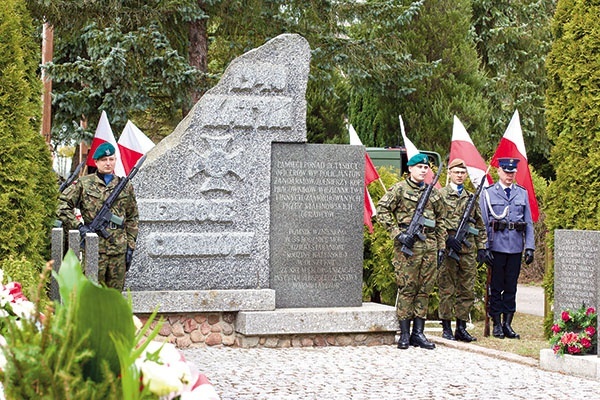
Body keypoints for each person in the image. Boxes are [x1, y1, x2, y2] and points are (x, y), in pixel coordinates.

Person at [376, 153, 446, 350]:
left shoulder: (434, 193)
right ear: (410, 169)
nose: (423, 170)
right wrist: (398, 234)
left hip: (430, 244)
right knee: (408, 288)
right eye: (419, 167)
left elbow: (441, 221)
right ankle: (405, 333)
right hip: (408, 246)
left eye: (426, 168)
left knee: (425, 289)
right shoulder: (399, 189)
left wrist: (441, 247)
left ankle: (419, 333)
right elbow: (382, 210)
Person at [56, 143, 139, 290]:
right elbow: (61, 206)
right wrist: (80, 228)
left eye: (111, 159)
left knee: (115, 298)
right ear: (96, 162)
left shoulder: (125, 185)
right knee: (91, 295)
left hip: (118, 251)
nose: (108, 163)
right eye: (104, 160)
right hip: (93, 250)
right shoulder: (84, 184)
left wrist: (130, 246)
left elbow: (132, 217)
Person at [479, 157, 534, 339]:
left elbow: (528, 222)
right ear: (499, 172)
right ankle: (496, 324)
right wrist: (485, 247)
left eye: (512, 172)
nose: (509, 175)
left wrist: (530, 247)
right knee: (496, 287)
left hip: (515, 247)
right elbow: (484, 222)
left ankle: (507, 324)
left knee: (511, 287)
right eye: (506, 172)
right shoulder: (488, 193)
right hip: (497, 246)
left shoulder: (521, 193)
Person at [438, 159, 491, 342]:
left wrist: (483, 247)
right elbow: (436, 221)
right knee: (447, 288)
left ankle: (461, 327)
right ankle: (446, 326)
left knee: (466, 289)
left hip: (467, 248)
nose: (460, 175)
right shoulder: (441, 195)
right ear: (450, 173)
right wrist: (447, 238)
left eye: (463, 172)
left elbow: (480, 224)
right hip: (448, 248)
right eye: (457, 172)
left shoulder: (470, 197)